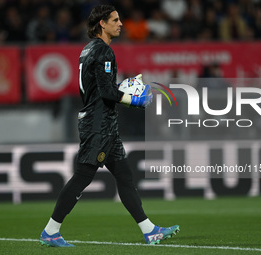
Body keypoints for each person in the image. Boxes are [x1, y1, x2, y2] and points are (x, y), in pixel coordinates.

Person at [40, 5, 179, 247]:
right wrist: (134, 99)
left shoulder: (87, 50)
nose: (120, 23)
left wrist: (123, 94)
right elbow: (106, 91)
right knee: (83, 176)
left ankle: (150, 230)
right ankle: (51, 231)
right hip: (98, 123)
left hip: (103, 123)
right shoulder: (104, 51)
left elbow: (100, 88)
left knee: (124, 177)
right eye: (115, 20)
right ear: (102, 24)